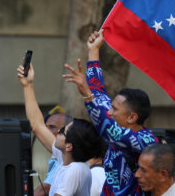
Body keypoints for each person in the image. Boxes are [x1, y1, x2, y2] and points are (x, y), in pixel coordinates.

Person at [63, 29, 157, 195]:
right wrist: (93, 50)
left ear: (132, 117)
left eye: (114, 109)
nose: (110, 112)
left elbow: (110, 132)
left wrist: (87, 95)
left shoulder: (146, 141)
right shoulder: (115, 122)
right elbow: (98, 92)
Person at [17, 63, 103, 196]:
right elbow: (37, 125)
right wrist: (27, 85)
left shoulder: (75, 169)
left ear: (69, 146)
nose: (57, 133)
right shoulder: (67, 159)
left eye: (63, 132)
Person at [34, 106, 73, 196]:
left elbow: (44, 190)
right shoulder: (59, 155)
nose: (47, 131)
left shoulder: (68, 161)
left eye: (52, 127)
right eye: (45, 127)